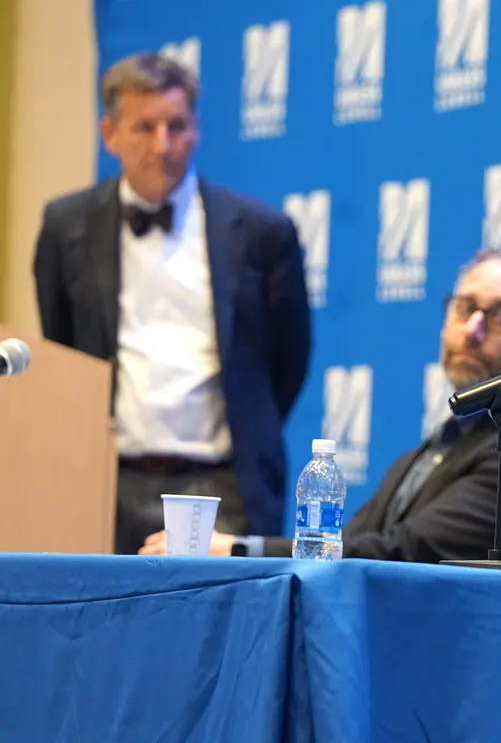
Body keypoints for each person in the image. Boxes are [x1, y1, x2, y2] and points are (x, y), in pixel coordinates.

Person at [32, 53, 311, 554]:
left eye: (177, 126)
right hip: (107, 481)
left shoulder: (262, 231)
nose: (163, 147)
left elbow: (287, 362)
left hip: (226, 483)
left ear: (196, 128)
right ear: (109, 134)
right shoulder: (65, 225)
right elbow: (64, 347)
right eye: (144, 128)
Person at [140, 249, 501, 563]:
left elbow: (403, 553)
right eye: (464, 308)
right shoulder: (439, 444)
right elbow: (345, 543)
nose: (473, 330)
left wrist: (238, 550)